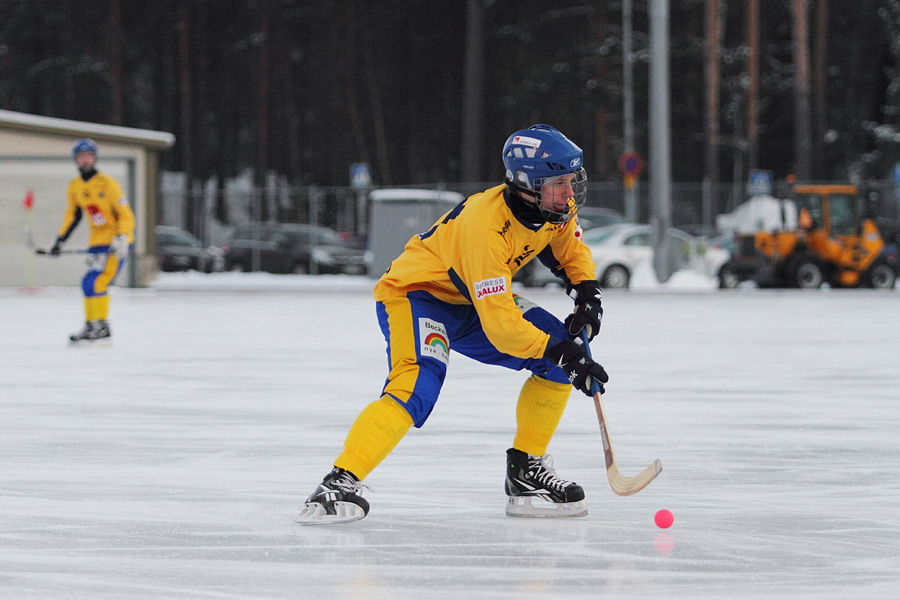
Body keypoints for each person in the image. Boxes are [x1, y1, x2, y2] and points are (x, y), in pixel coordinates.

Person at [297, 124, 608, 525]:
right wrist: (564, 353)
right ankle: (337, 483)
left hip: (472, 298)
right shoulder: (486, 229)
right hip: (418, 295)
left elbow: (568, 248)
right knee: (418, 383)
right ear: (527, 184)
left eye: (571, 181)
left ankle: (526, 471)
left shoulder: (553, 207)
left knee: (561, 351)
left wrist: (586, 292)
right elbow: (502, 326)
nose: (568, 193)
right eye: (558, 183)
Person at [49, 138, 135, 344]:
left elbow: (125, 214)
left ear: (94, 158)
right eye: (81, 157)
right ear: (76, 160)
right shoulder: (75, 186)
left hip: (116, 243)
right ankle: (92, 325)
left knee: (100, 281)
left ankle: (101, 326)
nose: (85, 160)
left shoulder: (108, 183)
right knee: (88, 283)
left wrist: (122, 236)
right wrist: (60, 241)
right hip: (96, 243)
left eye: (89, 156)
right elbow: (73, 217)